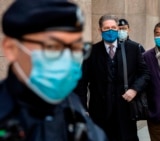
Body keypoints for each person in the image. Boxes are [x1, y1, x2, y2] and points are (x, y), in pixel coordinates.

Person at [0, 0, 107, 141]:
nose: (67, 60)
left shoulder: (72, 106)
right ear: (12, 48)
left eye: (75, 48)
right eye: (52, 47)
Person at [74, 14, 150, 141]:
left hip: (125, 110)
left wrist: (134, 89)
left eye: (114, 27)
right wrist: (83, 108)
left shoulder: (132, 48)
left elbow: (145, 73)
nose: (111, 31)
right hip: (99, 112)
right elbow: (81, 82)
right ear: (100, 30)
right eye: (106, 28)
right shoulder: (92, 51)